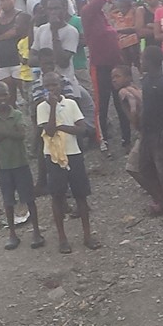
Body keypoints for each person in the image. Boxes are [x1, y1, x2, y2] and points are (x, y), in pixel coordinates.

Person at [37, 68, 99, 253]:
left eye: (54, 84)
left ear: (61, 85)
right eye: (47, 86)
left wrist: (61, 126)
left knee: (81, 195)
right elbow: (48, 131)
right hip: (54, 155)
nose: (51, 89)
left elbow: (82, 129)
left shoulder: (71, 104)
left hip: (73, 153)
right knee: (57, 196)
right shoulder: (42, 107)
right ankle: (62, 238)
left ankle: (87, 235)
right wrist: (53, 108)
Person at [129, 49, 163, 221]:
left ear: (151, 61)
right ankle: (162, 198)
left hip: (160, 134)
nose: (141, 62)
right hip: (147, 133)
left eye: (143, 59)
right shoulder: (146, 81)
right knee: (144, 167)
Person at [0, 85, 43, 250]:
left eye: (4, 94)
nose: (1, 98)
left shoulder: (16, 114)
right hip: (3, 165)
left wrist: (2, 133)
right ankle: (12, 234)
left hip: (20, 162)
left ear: (9, 95)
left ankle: (36, 231)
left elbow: (21, 135)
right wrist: (9, 132)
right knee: (8, 201)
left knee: (29, 198)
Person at [81, 0, 126, 150]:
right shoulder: (87, 15)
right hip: (99, 66)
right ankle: (103, 140)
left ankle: (126, 138)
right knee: (102, 104)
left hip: (115, 64)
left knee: (121, 101)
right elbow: (92, 6)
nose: (97, 0)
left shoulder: (105, 15)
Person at [0, 0, 31, 113]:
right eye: (2, 0)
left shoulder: (20, 16)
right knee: (8, 96)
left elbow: (14, 32)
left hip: (17, 60)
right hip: (2, 63)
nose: (5, 2)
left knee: (25, 93)